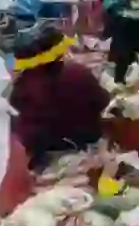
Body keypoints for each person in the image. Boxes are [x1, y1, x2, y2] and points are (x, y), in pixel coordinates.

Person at [9, 24, 110, 170]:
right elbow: (103, 102)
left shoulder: (23, 87)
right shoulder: (78, 74)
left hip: (39, 160)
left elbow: (18, 128)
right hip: (84, 153)